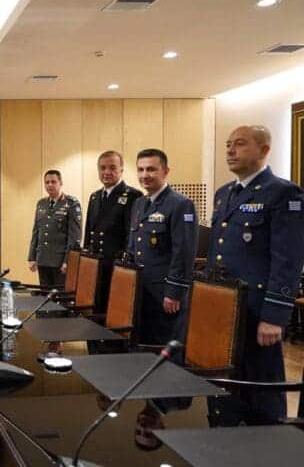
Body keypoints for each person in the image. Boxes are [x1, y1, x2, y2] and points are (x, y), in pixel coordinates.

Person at [207, 125, 304, 424]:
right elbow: (217, 252)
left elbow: (288, 260)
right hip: (225, 307)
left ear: (264, 150)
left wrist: (275, 315)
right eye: (228, 144)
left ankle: (268, 440)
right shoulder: (224, 194)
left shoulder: (283, 193)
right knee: (227, 380)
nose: (230, 150)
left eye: (239, 144)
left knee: (262, 385)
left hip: (257, 308)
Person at [128, 149, 198, 345]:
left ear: (166, 171)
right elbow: (133, 248)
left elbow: (183, 252)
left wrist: (174, 292)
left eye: (151, 169)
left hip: (164, 294)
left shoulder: (180, 204)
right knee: (143, 346)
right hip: (141, 290)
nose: (145, 175)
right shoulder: (139, 203)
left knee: (165, 348)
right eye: (140, 169)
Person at [84, 151, 142, 310]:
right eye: (102, 168)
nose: (107, 172)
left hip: (116, 266)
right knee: (94, 309)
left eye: (112, 167)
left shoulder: (133, 196)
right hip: (96, 265)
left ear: (121, 170)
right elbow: (89, 232)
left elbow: (132, 234)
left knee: (114, 310)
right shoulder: (95, 197)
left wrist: (125, 263)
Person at [28, 169, 82, 288]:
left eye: (53, 182)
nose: (50, 185)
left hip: (60, 261)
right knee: (44, 294)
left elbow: (74, 237)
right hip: (43, 259)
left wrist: (68, 261)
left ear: (60, 183)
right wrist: (32, 257)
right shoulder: (41, 203)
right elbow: (36, 232)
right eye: (47, 182)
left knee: (59, 295)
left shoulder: (71, 204)